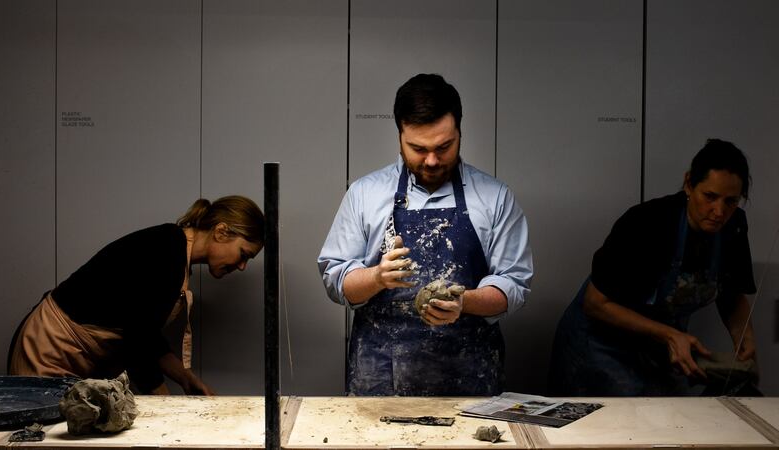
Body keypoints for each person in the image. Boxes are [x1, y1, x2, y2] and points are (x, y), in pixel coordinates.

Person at [318, 73, 533, 396]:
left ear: (460, 132)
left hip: (468, 377)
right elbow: (336, 281)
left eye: (444, 147)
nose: (432, 160)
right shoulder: (365, 194)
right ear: (399, 136)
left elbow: (514, 284)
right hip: (380, 379)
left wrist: (464, 302)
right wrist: (376, 277)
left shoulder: (494, 197)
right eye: (417, 148)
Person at [548, 139, 757, 396]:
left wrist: (744, 337)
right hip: (600, 345)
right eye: (710, 197)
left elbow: (732, 294)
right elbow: (595, 303)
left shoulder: (733, 228)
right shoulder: (648, 223)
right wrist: (670, 335)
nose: (719, 211)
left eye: (731, 201)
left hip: (657, 346)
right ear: (689, 184)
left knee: (668, 423)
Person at [8, 195, 264, 395]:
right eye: (243, 254)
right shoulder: (166, 251)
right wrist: (164, 404)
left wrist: (187, 379)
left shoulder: (174, 252)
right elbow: (137, 340)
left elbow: (146, 334)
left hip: (78, 356)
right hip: (51, 348)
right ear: (221, 231)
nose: (242, 266)